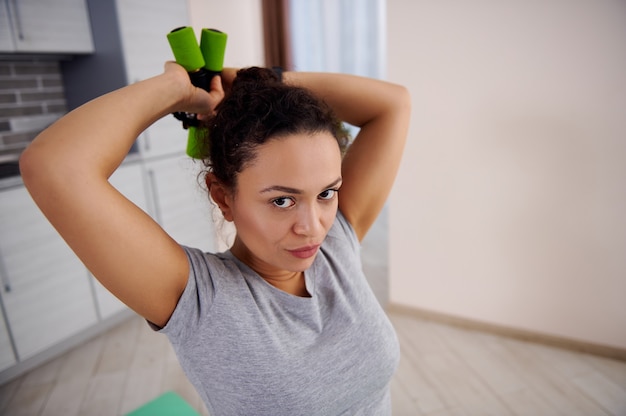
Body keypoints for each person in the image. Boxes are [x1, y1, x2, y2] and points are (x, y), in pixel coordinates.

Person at [20, 59, 410, 414]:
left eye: (326, 193)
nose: (313, 226)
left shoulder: (337, 241)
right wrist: (177, 89)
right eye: (282, 201)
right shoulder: (201, 299)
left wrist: (260, 83)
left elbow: (394, 103)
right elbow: (54, 166)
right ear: (223, 197)